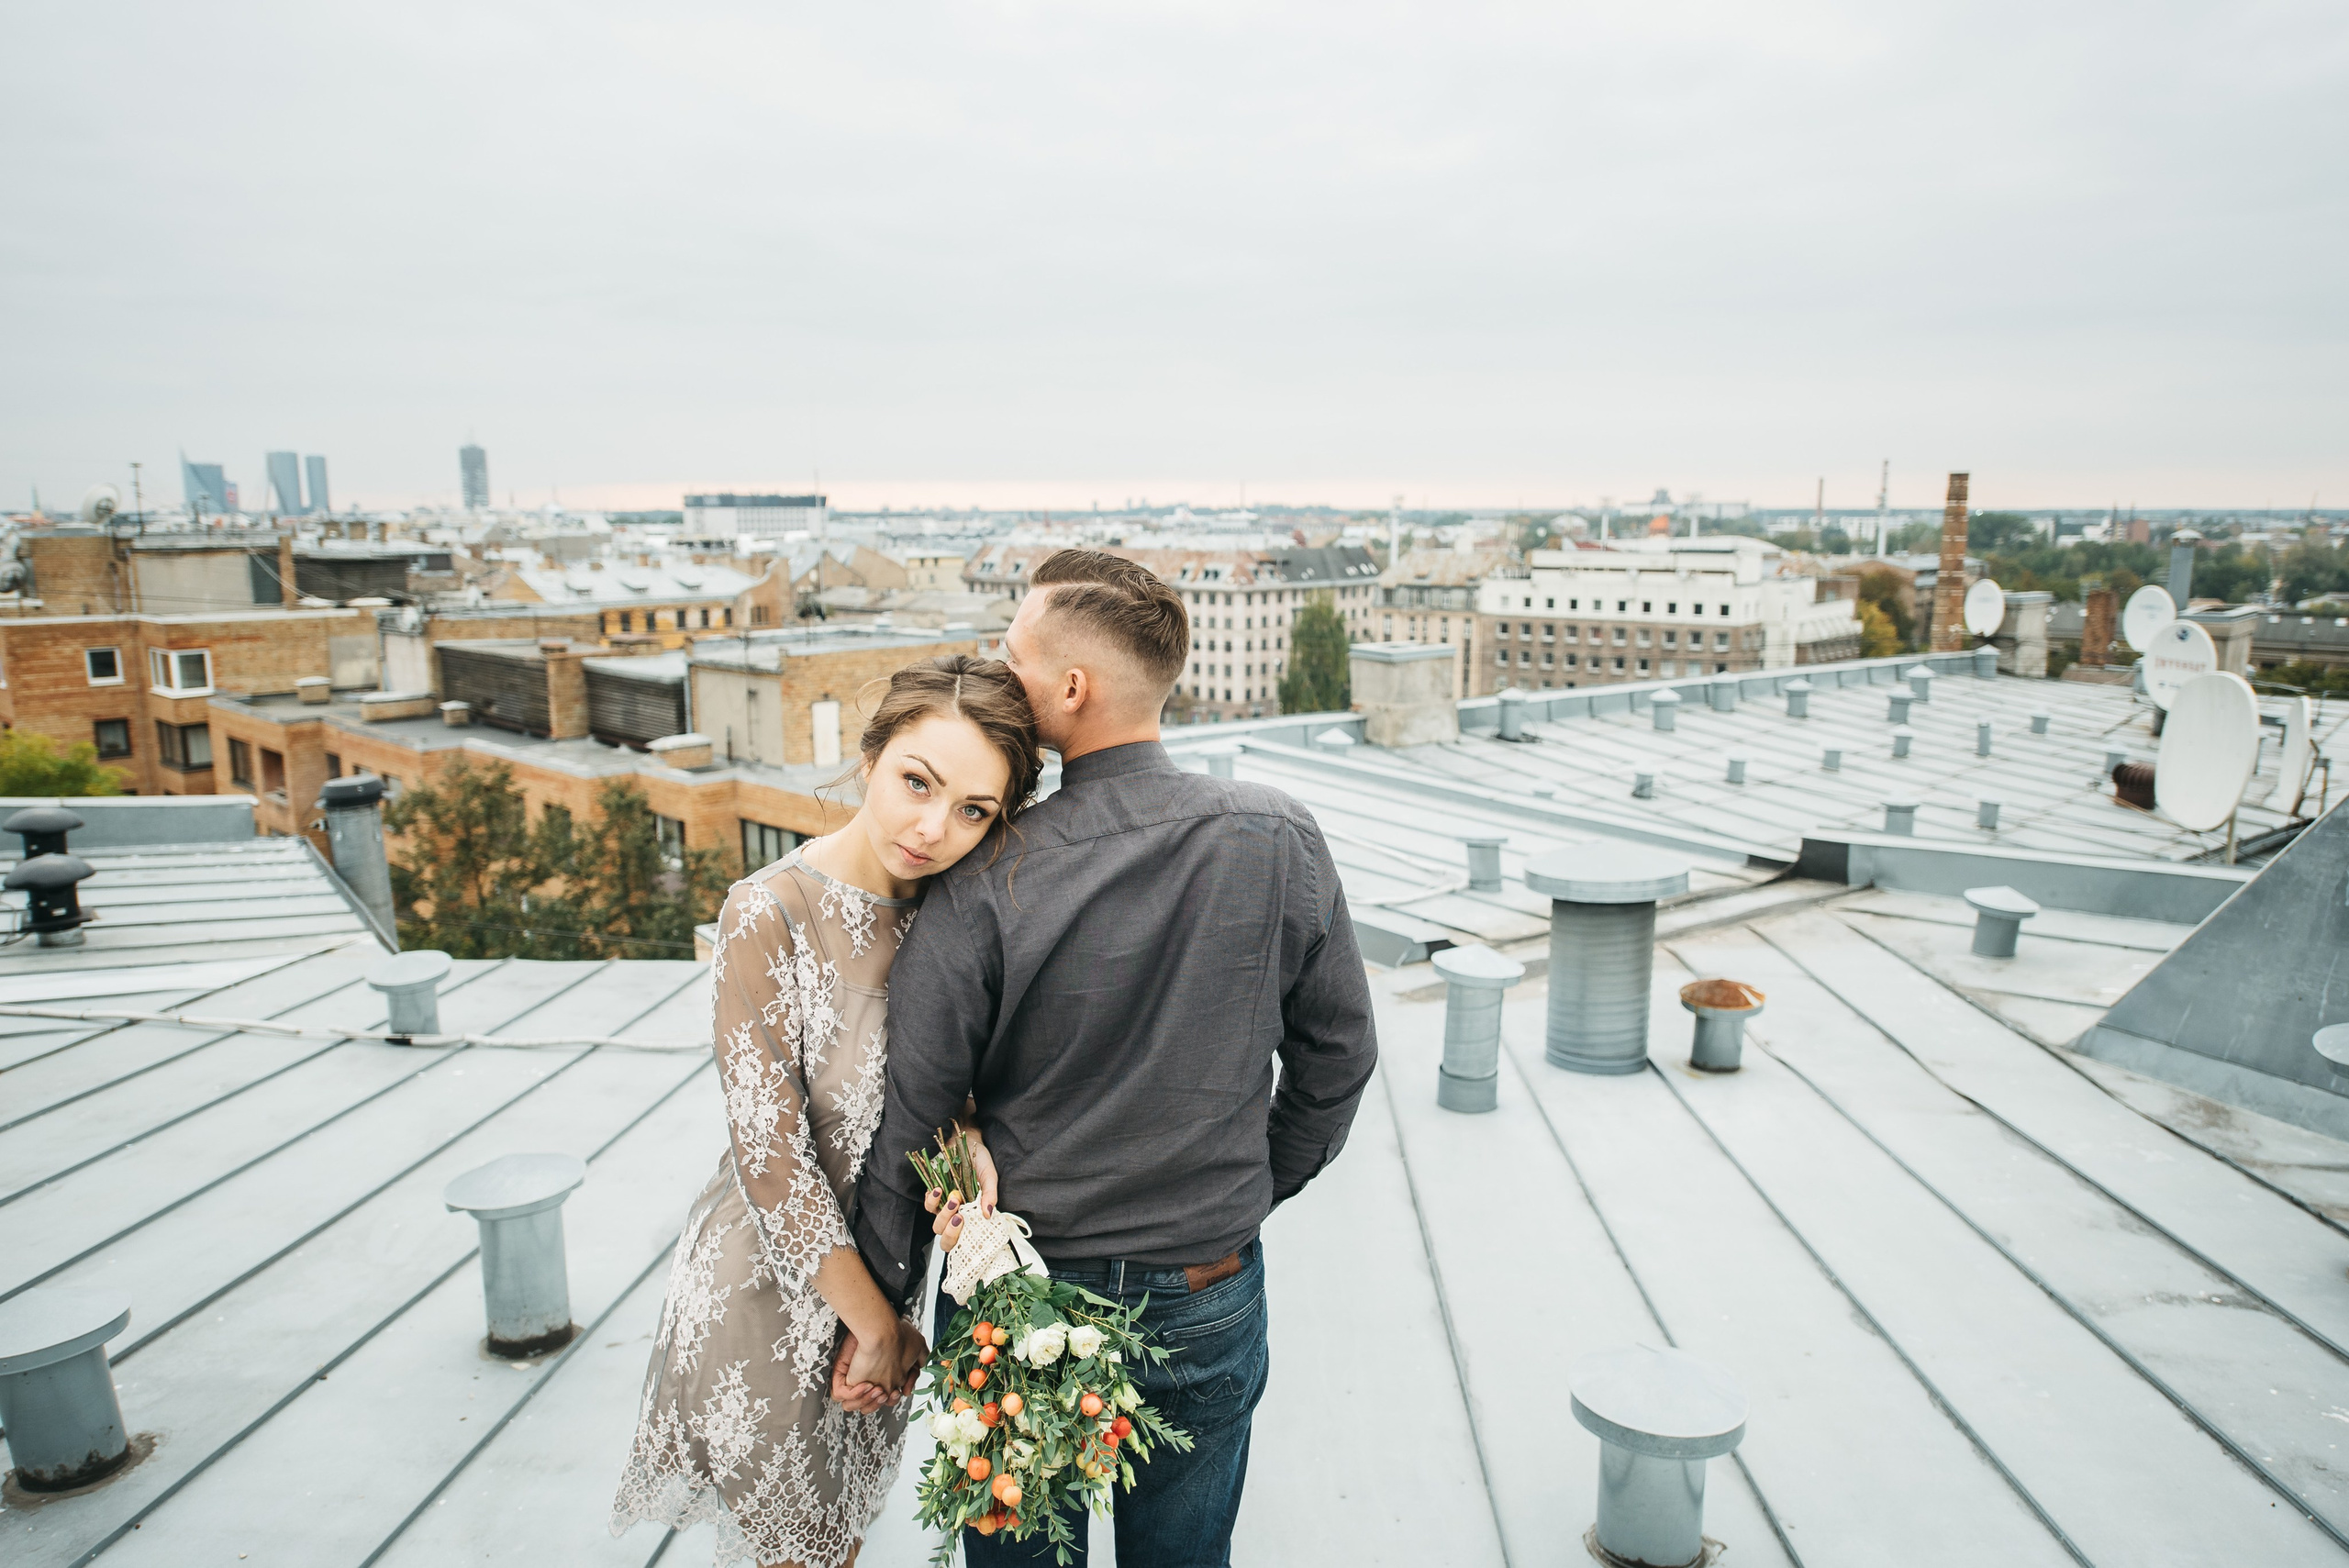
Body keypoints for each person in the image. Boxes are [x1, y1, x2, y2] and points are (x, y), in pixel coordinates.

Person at [852, 550, 1380, 1567]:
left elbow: (911, 1119)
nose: (1001, 673)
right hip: (1208, 1279)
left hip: (1016, 1293)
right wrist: (1242, 1195)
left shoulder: (984, 876)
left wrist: (884, 1306)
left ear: (1071, 688)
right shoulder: (1277, 834)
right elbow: (1339, 1057)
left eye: (1015, 656)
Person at [611, 655, 1041, 1568]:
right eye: (915, 782)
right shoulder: (765, 910)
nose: (932, 828)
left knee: (836, 1545)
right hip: (771, 1289)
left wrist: (963, 1133)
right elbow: (771, 1154)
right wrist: (880, 1328)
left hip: (888, 1285)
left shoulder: (955, 914)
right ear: (870, 752)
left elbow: (940, 1088)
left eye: (972, 810)